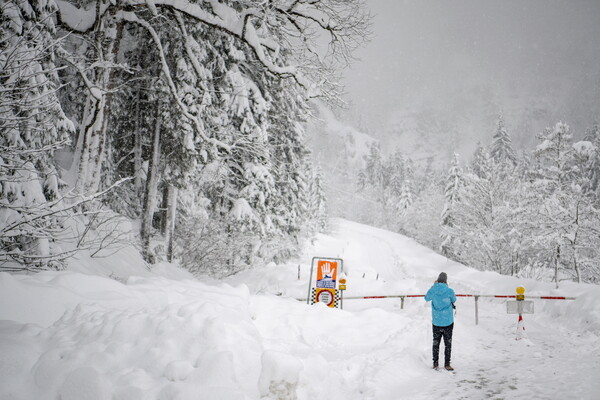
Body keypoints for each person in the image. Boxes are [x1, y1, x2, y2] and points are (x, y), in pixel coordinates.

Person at [424, 272, 456, 371]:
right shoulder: (449, 290)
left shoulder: (433, 290)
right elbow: (454, 299)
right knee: (448, 343)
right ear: (446, 280)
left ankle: (435, 363)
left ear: (437, 279)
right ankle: (447, 364)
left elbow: (426, 298)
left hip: (437, 321)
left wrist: (434, 286)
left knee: (436, 343)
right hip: (448, 321)